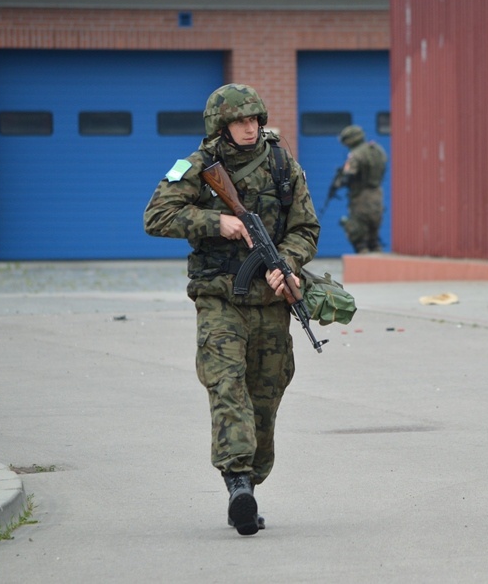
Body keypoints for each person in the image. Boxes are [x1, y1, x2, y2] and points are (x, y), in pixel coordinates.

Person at [143, 83, 320, 536]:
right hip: (219, 299)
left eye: (255, 119)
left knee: (267, 395)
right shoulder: (195, 166)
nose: (250, 127)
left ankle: (250, 483)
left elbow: (306, 228)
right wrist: (214, 221)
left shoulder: (283, 164)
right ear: (221, 125)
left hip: (271, 303)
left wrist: (290, 267)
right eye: (240, 121)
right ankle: (237, 480)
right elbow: (155, 217)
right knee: (227, 385)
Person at [332, 124, 387, 253]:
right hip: (377, 194)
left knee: (358, 234)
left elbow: (349, 176)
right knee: (374, 233)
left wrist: (338, 183)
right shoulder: (377, 150)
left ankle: (363, 260)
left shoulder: (356, 155)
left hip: (360, 197)